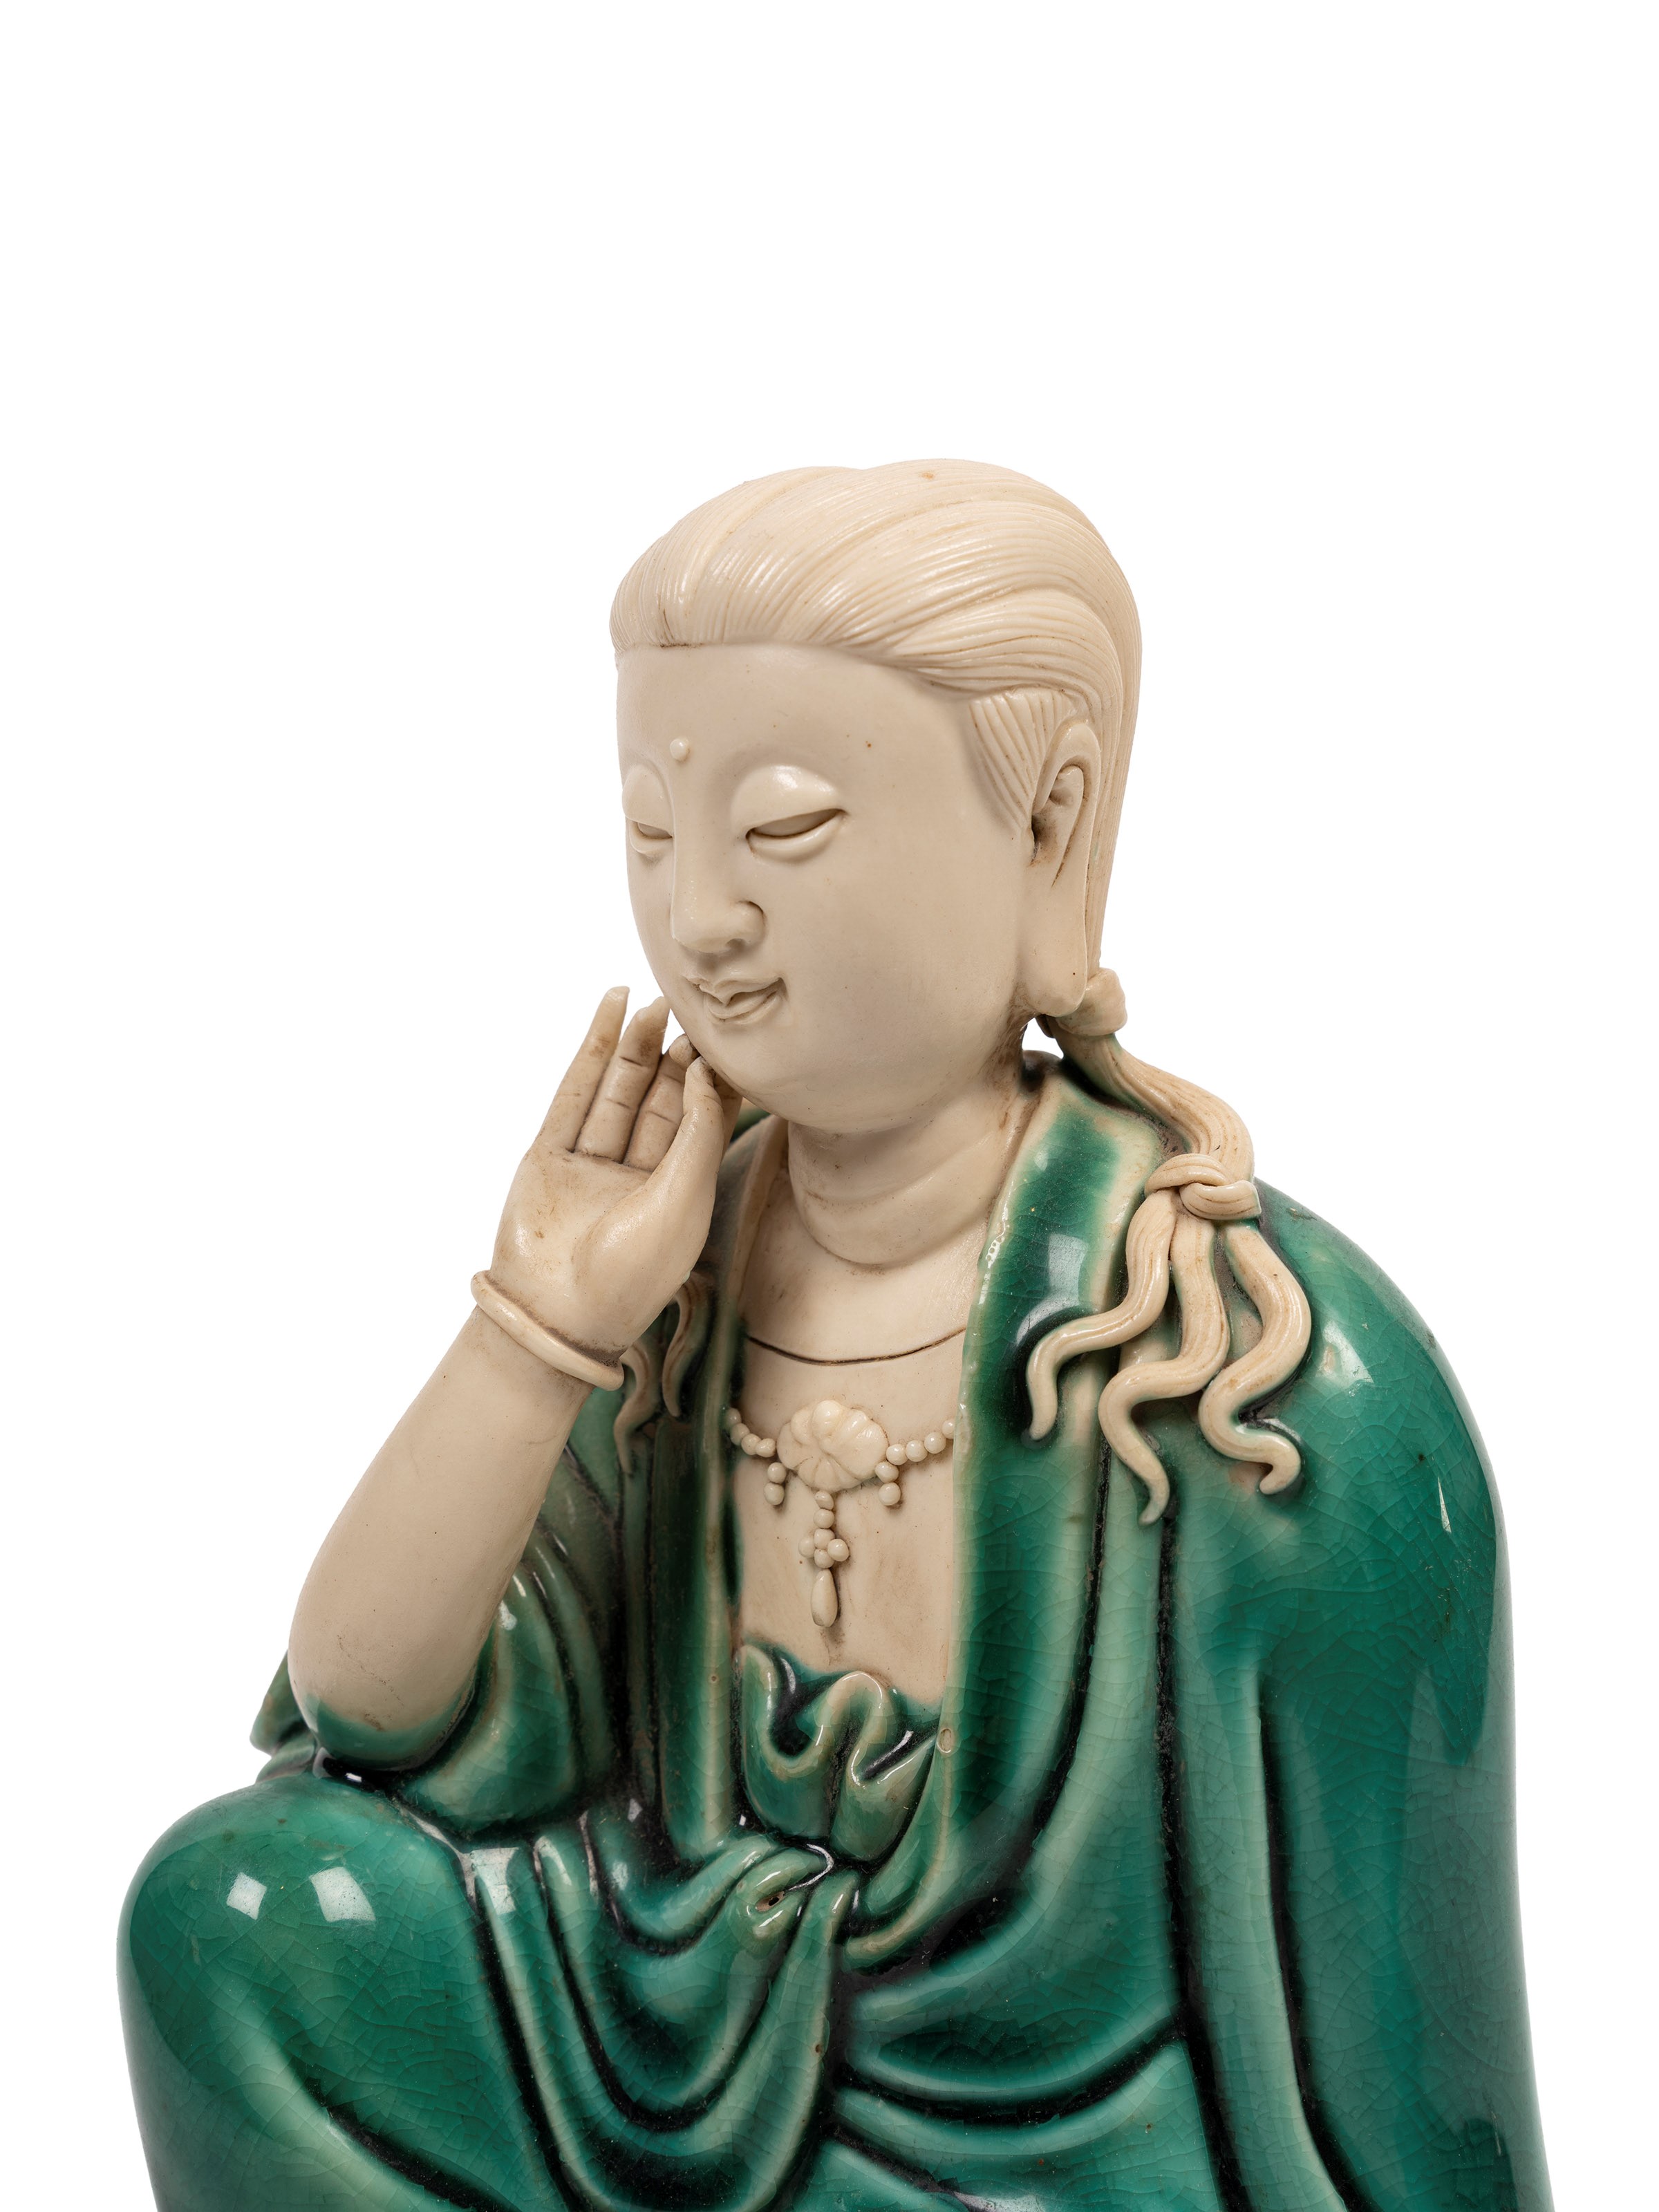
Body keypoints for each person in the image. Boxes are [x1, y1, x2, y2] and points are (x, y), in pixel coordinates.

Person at [121, 462, 1552, 2211]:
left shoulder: (1252, 1368)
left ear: (1049, 830)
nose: (702, 916)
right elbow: (366, 1706)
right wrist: (542, 1323)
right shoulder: (675, 1291)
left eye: (785, 829)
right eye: (654, 832)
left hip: (1063, 2178)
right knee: (239, 1916)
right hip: (663, 2074)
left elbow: (1412, 2082)